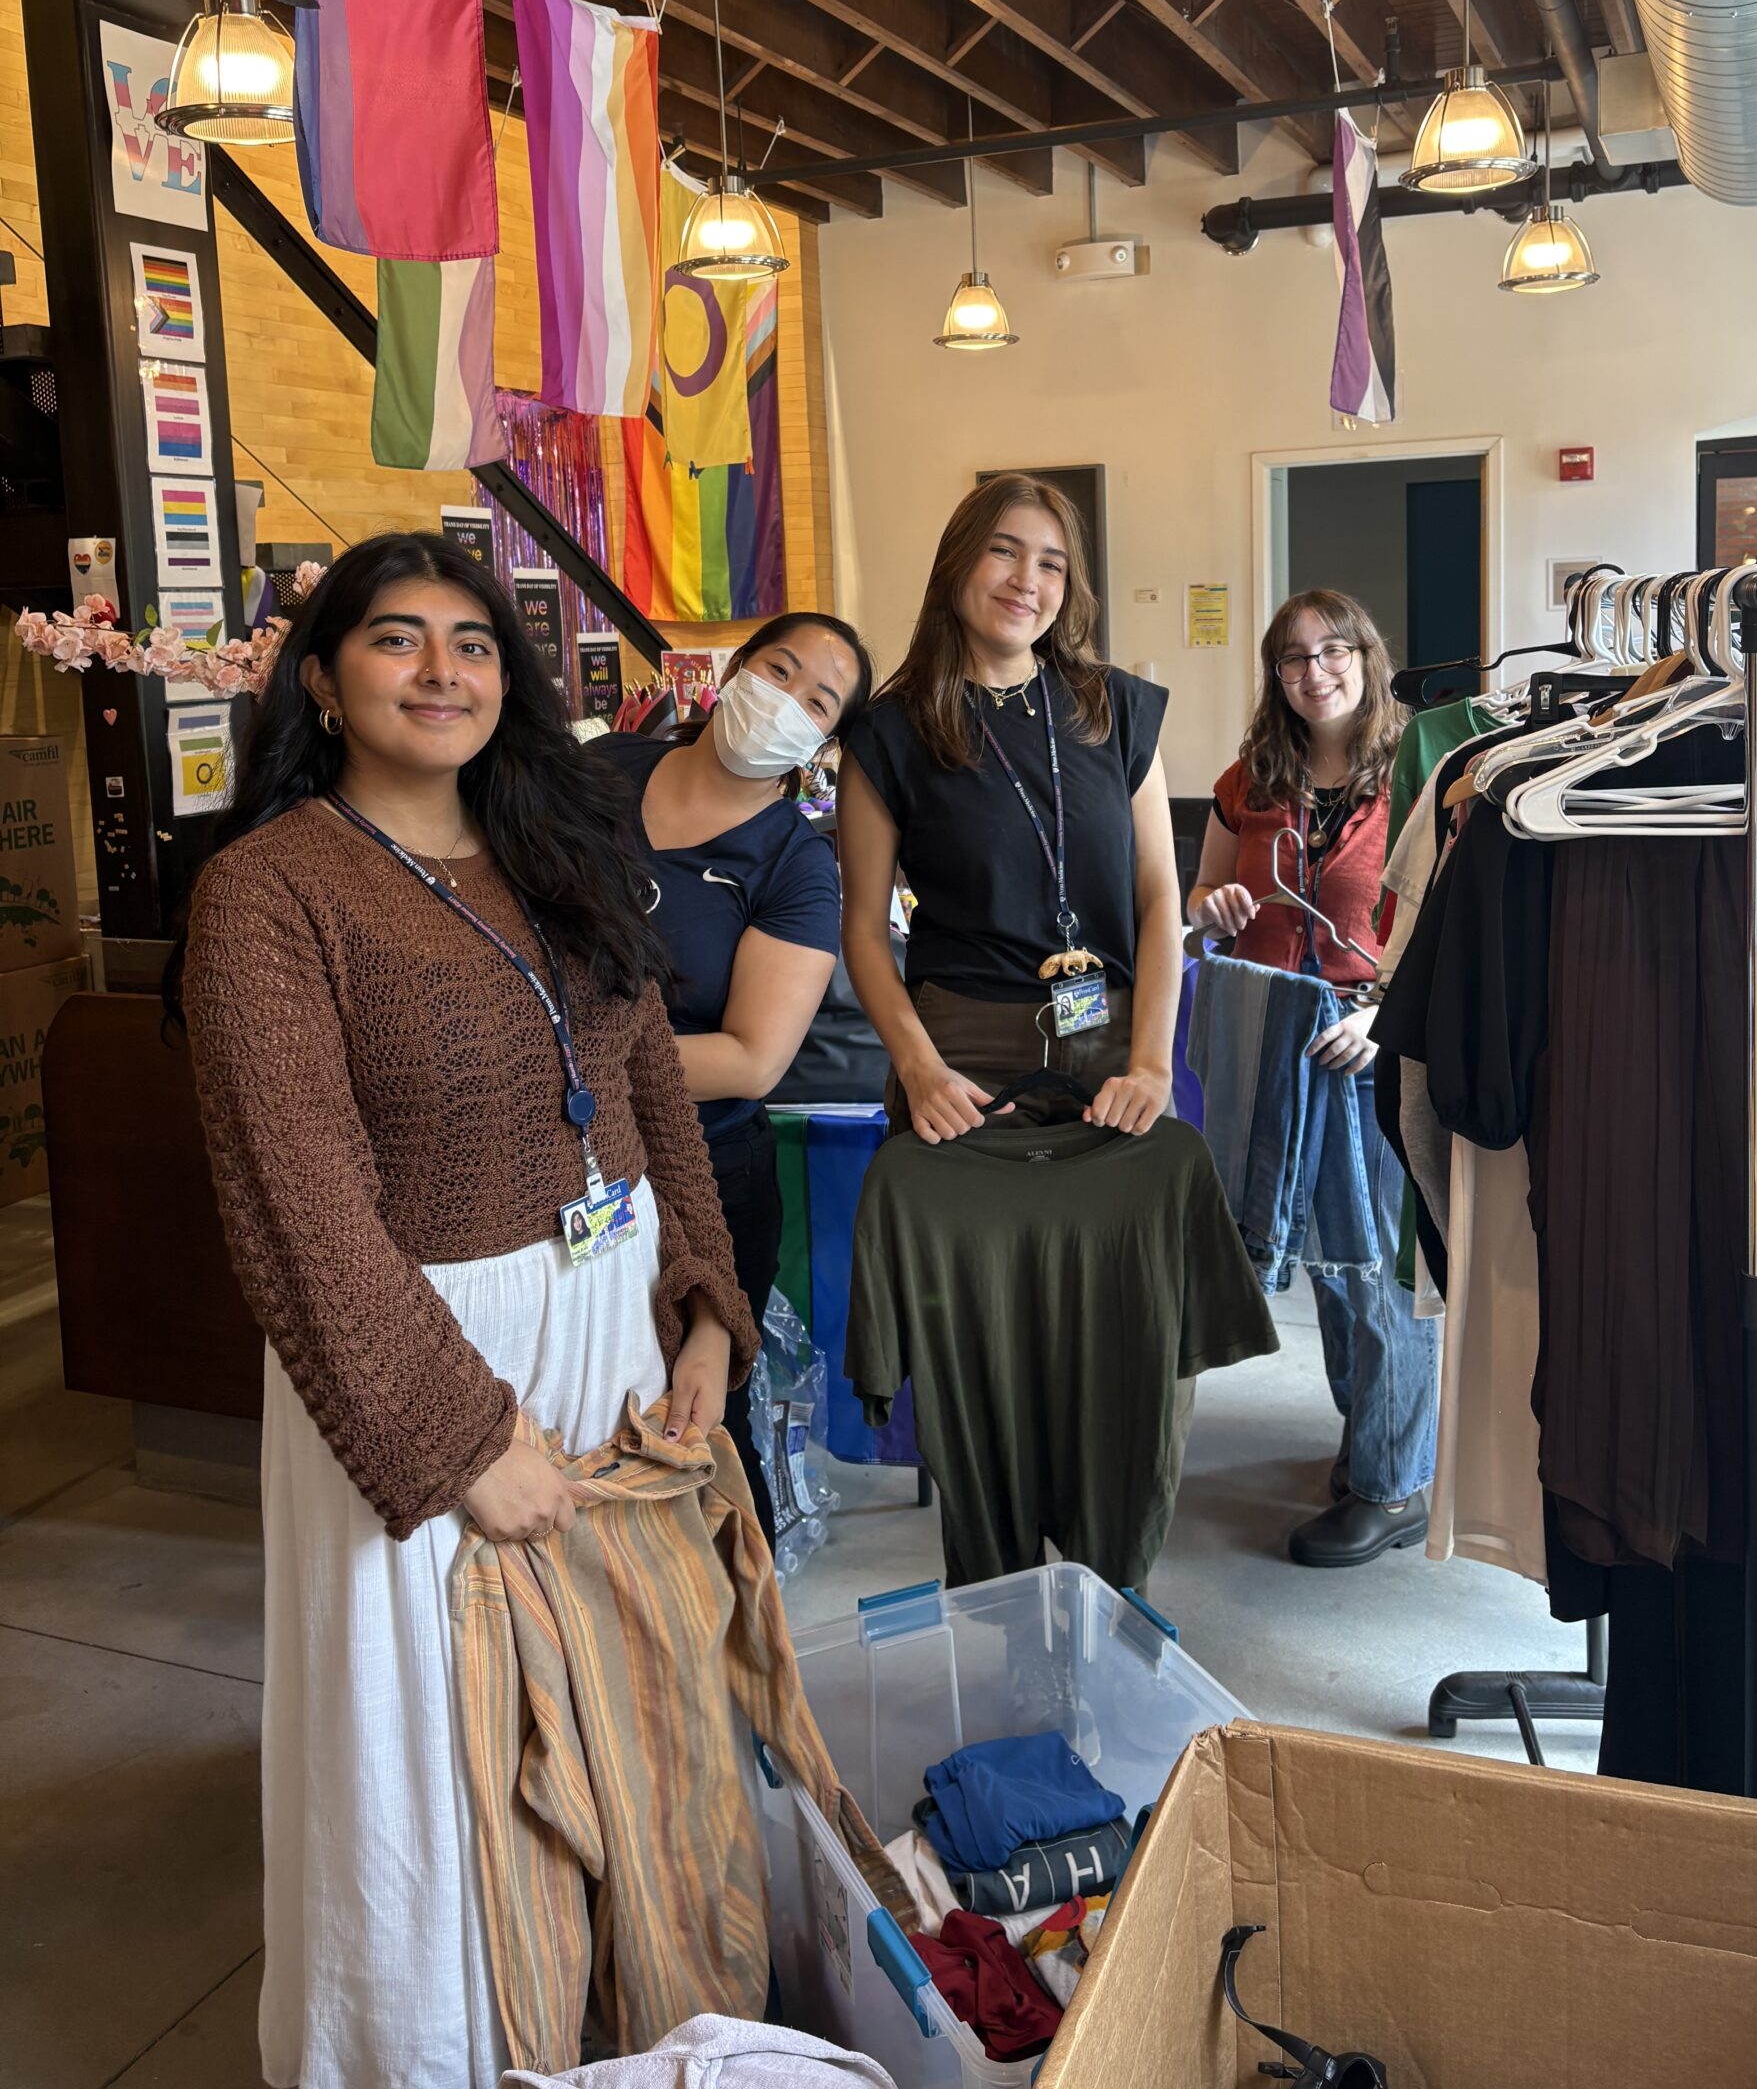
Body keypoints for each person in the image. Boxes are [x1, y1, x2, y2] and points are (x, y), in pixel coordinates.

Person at [173, 532, 756, 2089]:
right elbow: (301, 1211)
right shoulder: (269, 898)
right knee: (433, 1747)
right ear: (322, 678)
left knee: (624, 1715)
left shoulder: (561, 855)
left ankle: (615, 2027)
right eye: (397, 641)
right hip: (423, 1363)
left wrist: (702, 1300)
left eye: (475, 642)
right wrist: (453, 1437)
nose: (444, 672)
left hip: (614, 1324)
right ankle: (432, 2053)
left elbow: (646, 1096)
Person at [597, 610, 874, 1547]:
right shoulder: (603, 776)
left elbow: (753, 1057)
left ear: (824, 740)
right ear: (735, 669)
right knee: (583, 1411)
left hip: (708, 1177)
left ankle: (733, 1646)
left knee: (698, 1435)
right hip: (567, 1160)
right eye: (777, 668)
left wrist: (565, 1057)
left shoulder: (797, 865)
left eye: (816, 699)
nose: (783, 701)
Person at [1187, 588, 1440, 1568]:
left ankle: (1397, 1483)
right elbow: (1205, 894)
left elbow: (1443, 924)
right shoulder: (1249, 779)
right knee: (1317, 1262)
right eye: (1293, 657)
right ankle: (1368, 1437)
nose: (1315, 670)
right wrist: (1217, 905)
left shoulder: (1418, 777)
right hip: (1270, 1039)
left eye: (1334, 649)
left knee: (1377, 1266)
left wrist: (1389, 1016)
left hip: (1368, 1037)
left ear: (1368, 657)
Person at [838, 473, 1182, 1139]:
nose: (1027, 579)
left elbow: (1161, 898)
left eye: (1050, 564)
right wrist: (918, 1068)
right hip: (961, 1055)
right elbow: (863, 929)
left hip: (1114, 1045)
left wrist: (1151, 1064)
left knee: (1117, 1238)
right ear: (956, 561)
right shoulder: (889, 733)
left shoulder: (1117, 710)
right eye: (1003, 551)